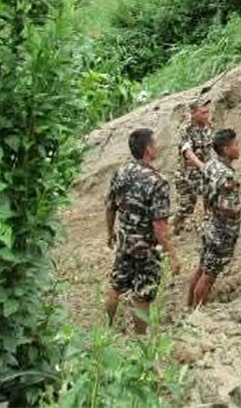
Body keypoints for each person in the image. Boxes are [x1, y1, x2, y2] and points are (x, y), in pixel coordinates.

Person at [104, 128, 181, 334]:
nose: (157, 147)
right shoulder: (157, 181)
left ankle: (105, 330)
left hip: (124, 241)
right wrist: (172, 256)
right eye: (154, 144)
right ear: (148, 149)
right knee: (143, 293)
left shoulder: (120, 173)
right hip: (145, 247)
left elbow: (110, 207)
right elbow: (159, 226)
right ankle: (139, 340)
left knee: (116, 285)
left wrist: (110, 233)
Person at [187, 129, 241, 309]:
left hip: (209, 224)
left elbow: (206, 196)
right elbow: (227, 208)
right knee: (209, 276)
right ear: (226, 149)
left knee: (202, 267)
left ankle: (189, 307)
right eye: (235, 145)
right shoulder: (226, 175)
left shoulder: (210, 165)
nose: (239, 148)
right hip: (221, 232)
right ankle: (198, 313)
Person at [172, 98, 214, 236]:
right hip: (187, 176)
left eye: (208, 112)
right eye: (203, 113)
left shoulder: (209, 127)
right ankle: (173, 227)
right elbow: (188, 152)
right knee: (186, 208)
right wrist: (202, 166)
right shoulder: (186, 130)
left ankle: (208, 229)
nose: (207, 115)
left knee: (210, 198)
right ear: (193, 113)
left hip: (204, 173)